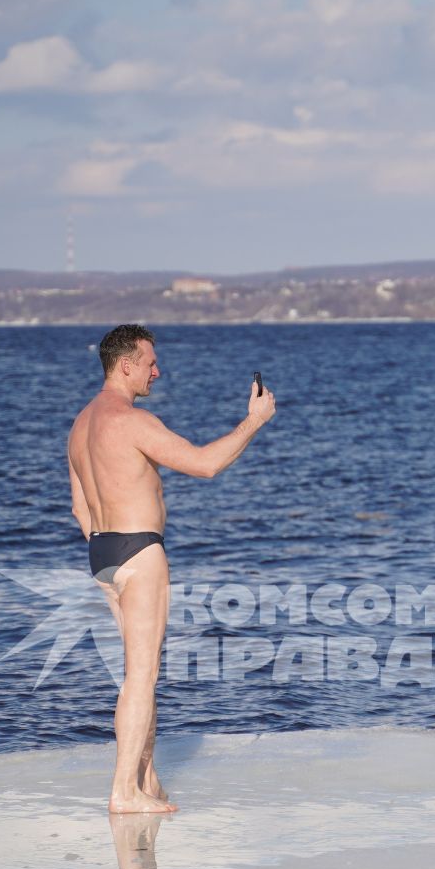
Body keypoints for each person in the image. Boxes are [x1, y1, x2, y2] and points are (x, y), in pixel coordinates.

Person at [67, 324, 276, 813]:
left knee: (137, 673)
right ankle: (123, 792)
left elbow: (80, 510)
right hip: (139, 552)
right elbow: (204, 464)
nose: (156, 371)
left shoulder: (80, 425)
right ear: (125, 365)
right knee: (143, 675)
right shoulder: (131, 420)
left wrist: (111, 554)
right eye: (149, 362)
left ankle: (147, 778)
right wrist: (254, 421)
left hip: (102, 554)